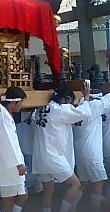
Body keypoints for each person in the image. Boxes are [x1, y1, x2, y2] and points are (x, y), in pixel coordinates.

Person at [32, 83, 91, 212]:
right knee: (75, 184)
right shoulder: (59, 110)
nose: (70, 105)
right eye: (69, 101)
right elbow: (83, 113)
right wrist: (86, 96)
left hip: (40, 156)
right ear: (63, 100)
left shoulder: (40, 110)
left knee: (48, 189)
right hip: (53, 156)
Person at [0, 86, 28, 212]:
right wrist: (18, 164)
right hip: (10, 166)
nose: (21, 106)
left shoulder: (3, 116)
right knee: (18, 196)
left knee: (9, 198)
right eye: (20, 103)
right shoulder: (3, 118)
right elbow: (7, 143)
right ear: (14, 102)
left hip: (6, 165)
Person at [73, 91, 110, 211]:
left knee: (82, 183)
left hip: (79, 152)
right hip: (92, 152)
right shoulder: (93, 106)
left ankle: (71, 206)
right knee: (98, 182)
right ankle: (95, 209)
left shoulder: (76, 108)